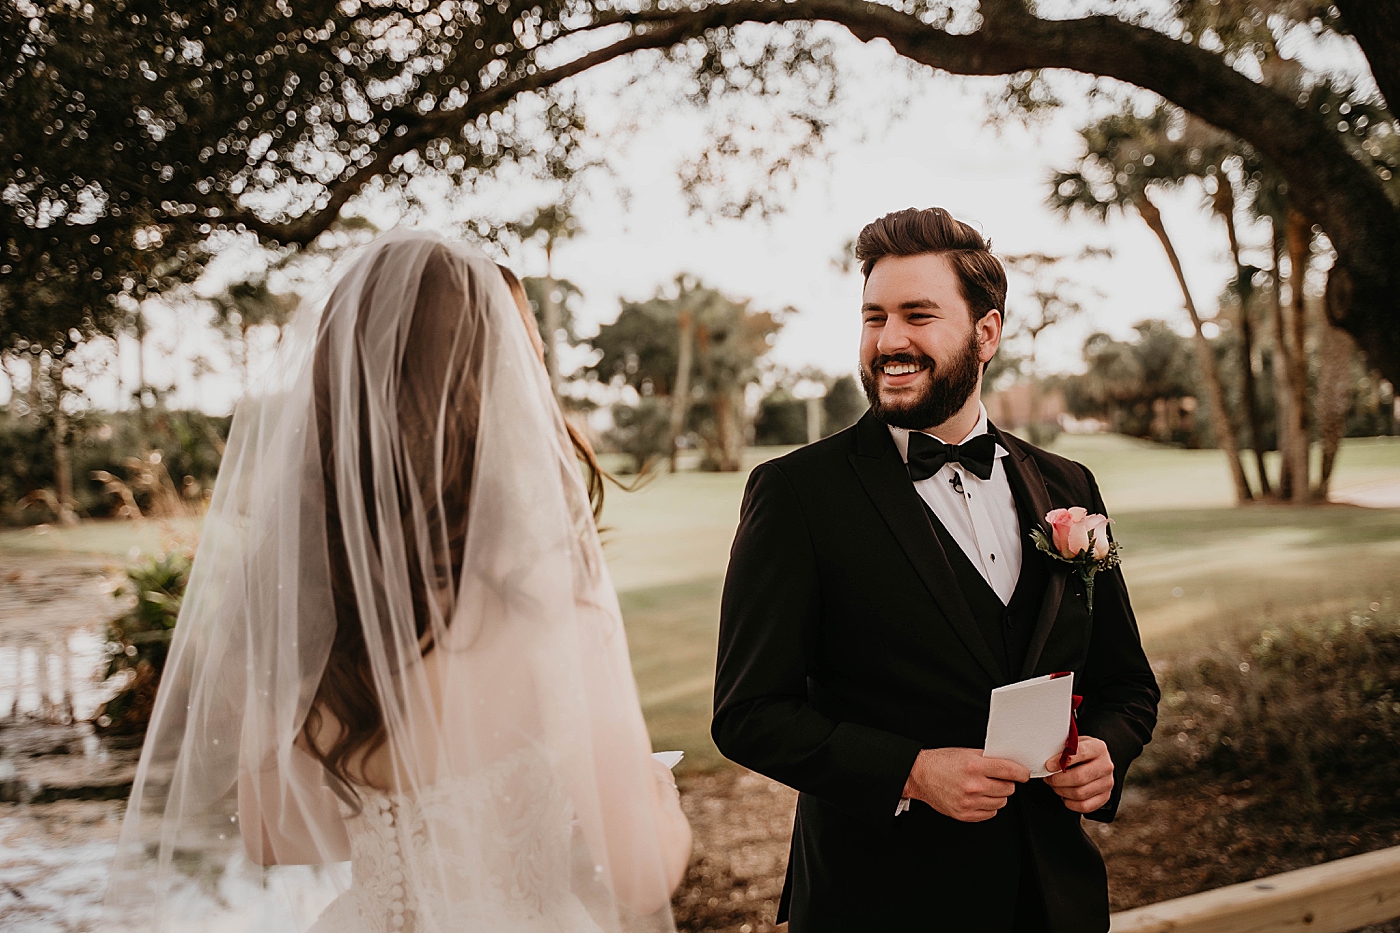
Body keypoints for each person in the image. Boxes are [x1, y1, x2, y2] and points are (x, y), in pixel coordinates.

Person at [103, 230, 691, 933]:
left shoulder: (312, 600)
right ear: (486, 390)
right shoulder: (541, 603)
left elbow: (270, 830)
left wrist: (418, 827)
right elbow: (642, 870)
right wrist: (652, 794)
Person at [712, 208, 1159, 932]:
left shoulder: (1068, 485)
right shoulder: (796, 495)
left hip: (1051, 900)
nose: (889, 340)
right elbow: (748, 714)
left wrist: (1109, 749)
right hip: (877, 903)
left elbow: (1126, 680)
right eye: (874, 317)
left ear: (986, 333)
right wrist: (912, 771)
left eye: (917, 315)